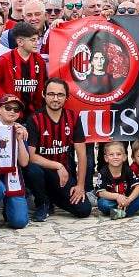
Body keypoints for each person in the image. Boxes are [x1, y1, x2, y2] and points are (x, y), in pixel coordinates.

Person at [25, 79, 93, 221]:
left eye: (60, 95)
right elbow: (31, 156)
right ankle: (42, 202)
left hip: (63, 177)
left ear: (66, 97)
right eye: (51, 94)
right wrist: (58, 165)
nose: (55, 99)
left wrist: (80, 186)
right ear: (44, 95)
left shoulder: (73, 117)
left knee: (84, 210)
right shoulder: (35, 119)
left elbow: (81, 155)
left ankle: (52, 198)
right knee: (32, 169)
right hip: (43, 171)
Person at [0, 95, 32, 229]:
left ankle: (9, 210)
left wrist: (20, 140)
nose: (12, 111)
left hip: (13, 175)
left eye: (16, 110)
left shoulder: (20, 130)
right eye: (8, 108)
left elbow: (24, 162)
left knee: (19, 222)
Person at [0, 21, 48, 117]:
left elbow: (42, 84)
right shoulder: (5, 59)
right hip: (11, 112)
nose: (36, 43)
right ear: (20, 42)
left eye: (37, 39)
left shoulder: (39, 60)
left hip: (33, 113)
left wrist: (40, 107)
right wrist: (5, 99)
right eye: (32, 40)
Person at [94, 141, 139, 218]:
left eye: (119, 154)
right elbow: (101, 193)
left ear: (124, 157)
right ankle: (134, 209)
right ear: (106, 158)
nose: (115, 157)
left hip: (127, 199)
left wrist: (129, 200)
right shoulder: (103, 172)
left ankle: (119, 213)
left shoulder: (128, 170)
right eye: (111, 154)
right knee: (103, 204)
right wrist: (117, 197)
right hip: (112, 200)